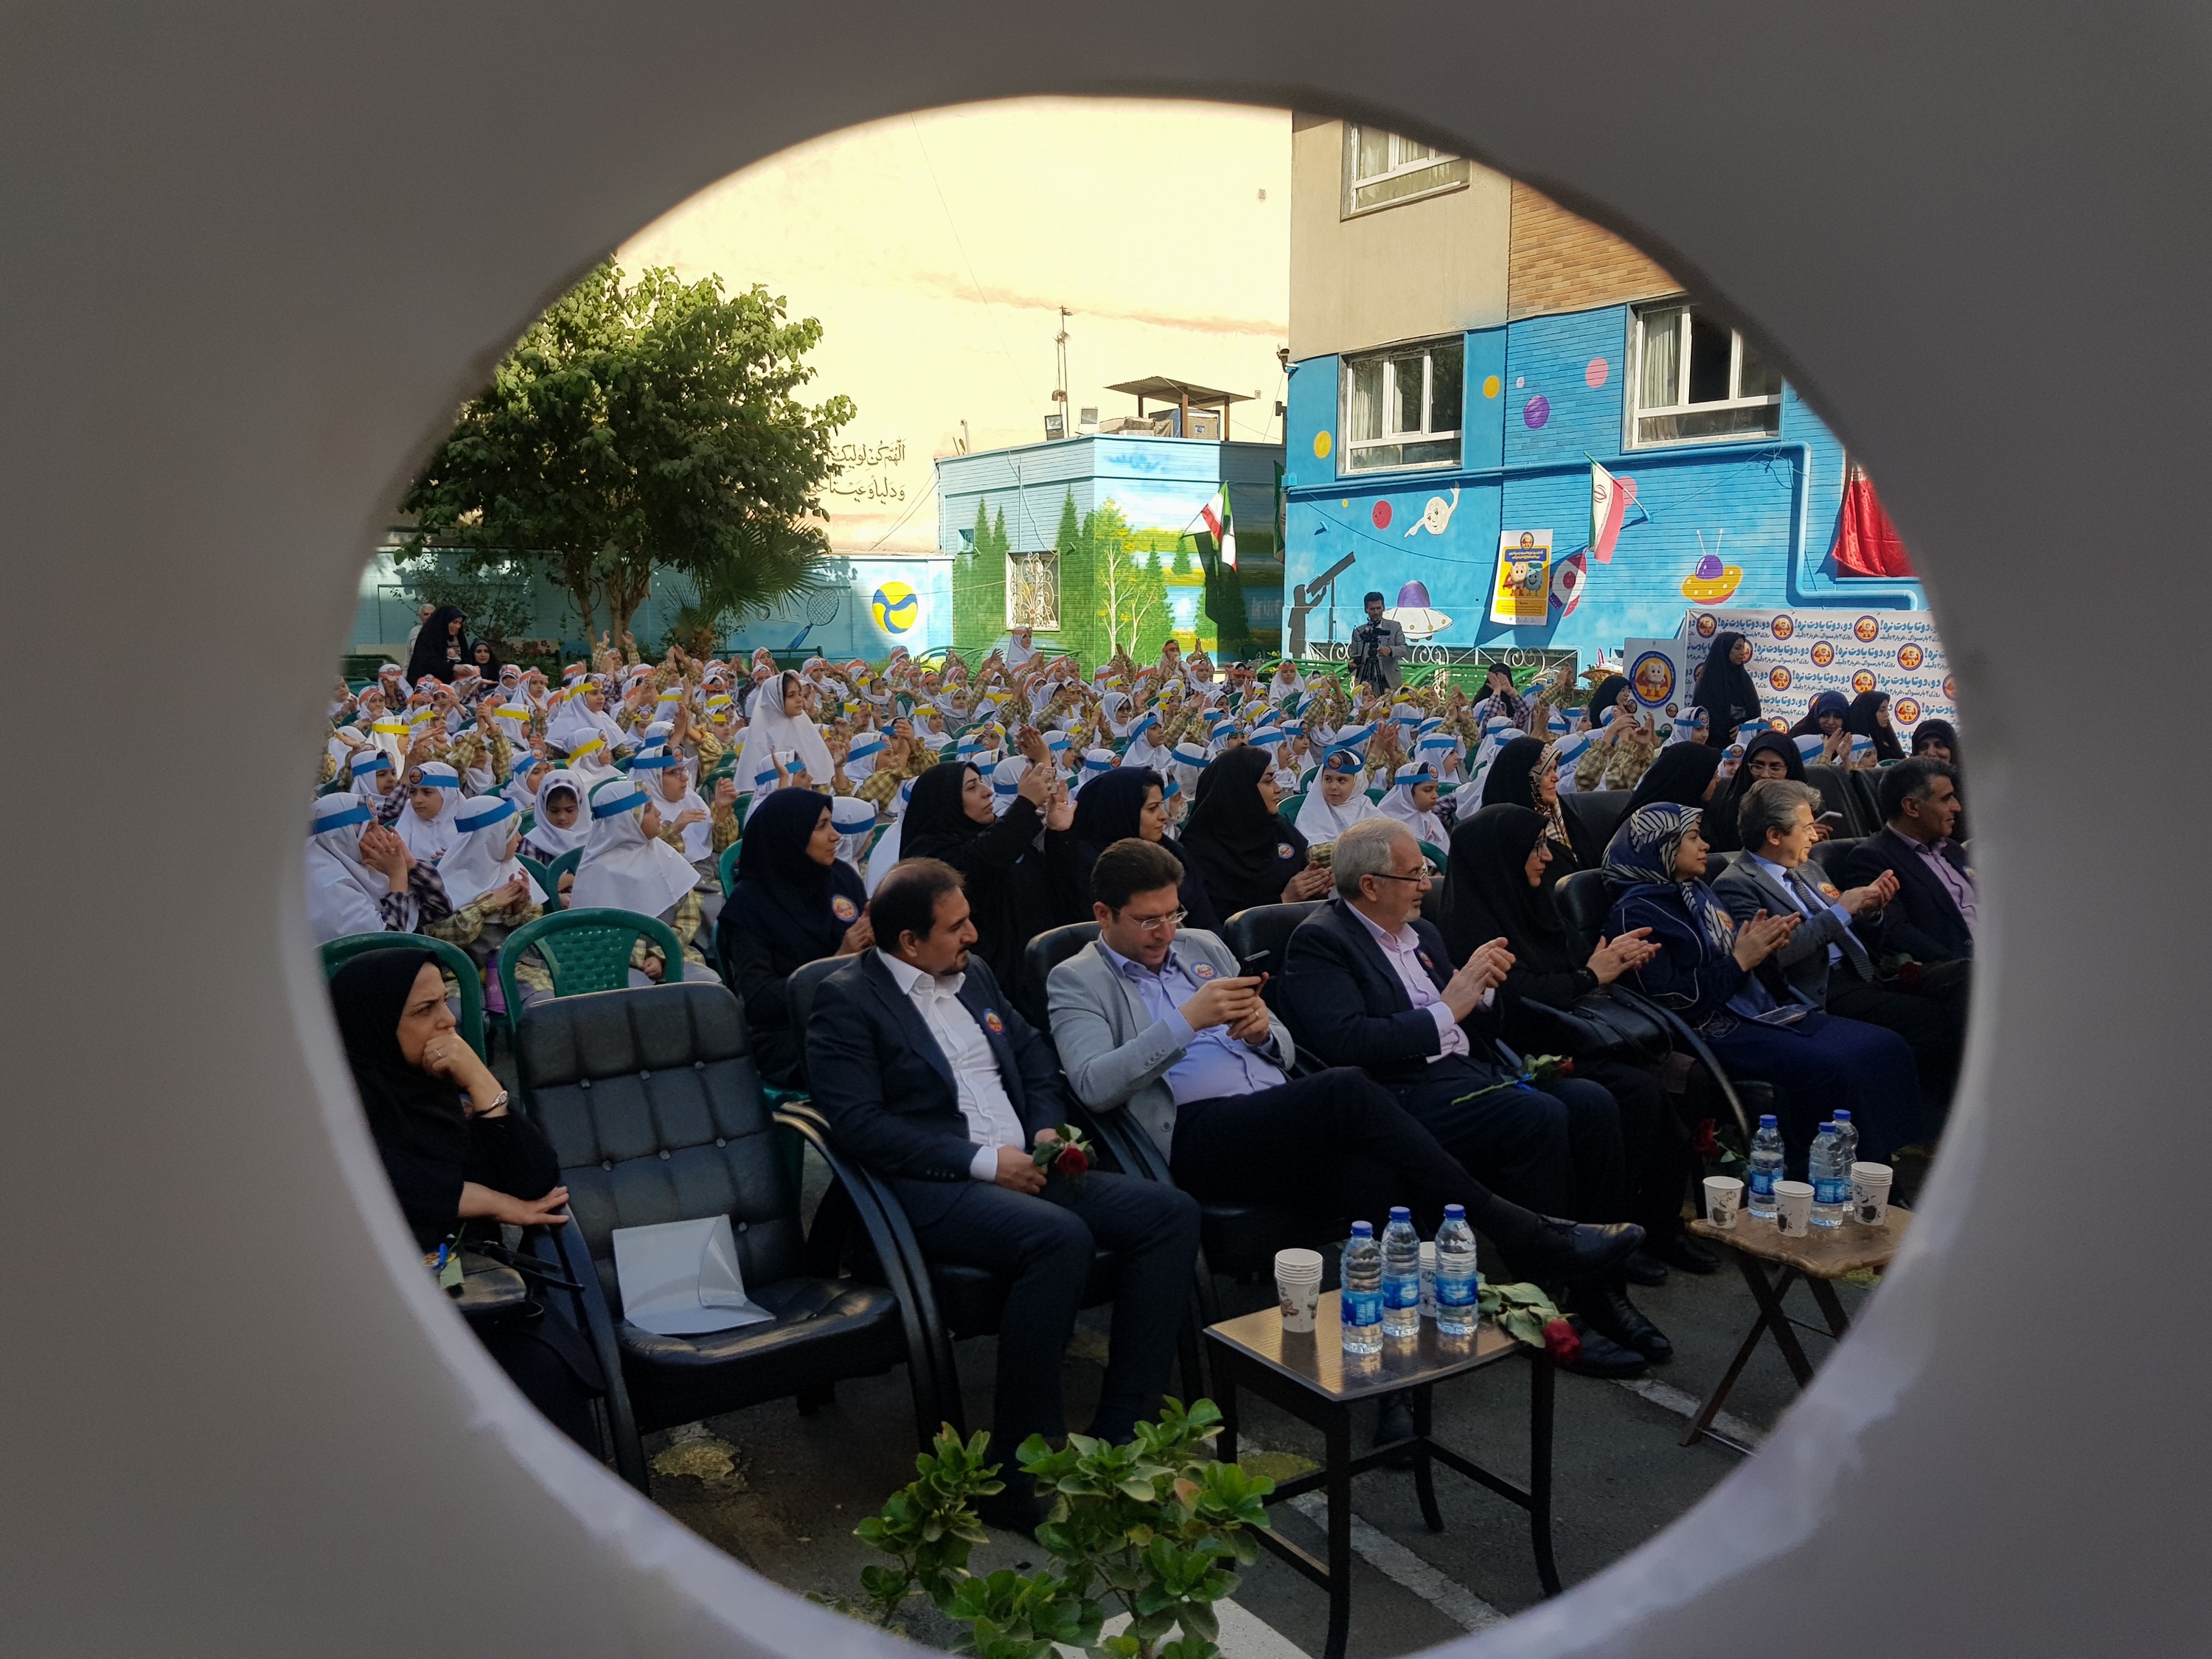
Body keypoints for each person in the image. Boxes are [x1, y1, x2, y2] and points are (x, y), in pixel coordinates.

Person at [804, 859, 1200, 1518]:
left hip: (1029, 1164)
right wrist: (985, 1162)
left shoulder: (974, 975)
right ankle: (1019, 1465)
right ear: (910, 943)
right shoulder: (846, 1001)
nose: (973, 935)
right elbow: (859, 1125)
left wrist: (1043, 1128)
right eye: (957, 926)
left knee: (1170, 1214)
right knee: (1058, 1238)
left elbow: (1035, 1056)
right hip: (931, 1187)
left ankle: (1124, 1424)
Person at [1279, 818, 1666, 1367]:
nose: (1426, 883)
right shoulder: (1322, 941)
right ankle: (1546, 1313)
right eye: (1414, 874)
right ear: (1370, 886)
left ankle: (1601, 1289)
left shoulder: (1423, 933)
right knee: (1535, 1116)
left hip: (1468, 1072)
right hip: (1403, 1091)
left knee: (1593, 1104)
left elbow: (1475, 1025)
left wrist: (1481, 994)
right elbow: (1347, 1041)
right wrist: (1449, 1007)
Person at [327, 947, 602, 1451]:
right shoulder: (334, 1105)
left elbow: (535, 1182)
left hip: (467, 1284)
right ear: (375, 1025)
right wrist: (483, 1202)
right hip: (374, 1304)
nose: (448, 1019)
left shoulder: (440, 1093)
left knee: (545, 1374)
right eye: (424, 1010)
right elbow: (371, 1181)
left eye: (444, 1001)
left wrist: (483, 1084)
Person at [1436, 804, 1715, 1275]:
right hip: (1526, 1049)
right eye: (1535, 848)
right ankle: (1612, 1233)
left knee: (1685, 1080)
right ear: (1503, 857)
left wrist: (1612, 960)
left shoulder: (1535, 900)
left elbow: (1576, 964)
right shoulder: (1470, 923)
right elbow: (1518, 999)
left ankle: (1657, 1225)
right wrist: (1589, 975)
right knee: (1635, 1093)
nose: (1546, 857)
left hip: (1581, 1033)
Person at [1601, 801, 1924, 1169]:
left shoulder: (1697, 892)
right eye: (1692, 838)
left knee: (1887, 1046)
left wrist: (1766, 948)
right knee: (1835, 1069)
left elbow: (1746, 964)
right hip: (1711, 1029)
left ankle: (1877, 1169)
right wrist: (1741, 960)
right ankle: (1827, 1175)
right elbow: (1671, 1000)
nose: (1706, 845)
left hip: (1759, 1008)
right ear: (1662, 846)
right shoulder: (1635, 914)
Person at [1716, 780, 1966, 1114]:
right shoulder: (1737, 885)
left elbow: (1852, 930)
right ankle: (1936, 1118)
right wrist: (1841, 911)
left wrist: (1870, 912)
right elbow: (1772, 956)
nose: (1814, 836)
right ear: (1775, 835)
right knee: (1933, 1021)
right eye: (1806, 828)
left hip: (1869, 971)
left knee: (1966, 980)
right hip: (1822, 989)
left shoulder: (1809, 866)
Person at [714, 787, 872, 1088]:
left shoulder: (840, 877)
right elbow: (759, 1003)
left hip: (852, 1013)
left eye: (832, 823)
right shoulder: (750, 907)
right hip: (790, 1035)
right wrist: (838, 962)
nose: (836, 836)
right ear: (790, 837)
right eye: (821, 826)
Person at [896, 757, 1084, 991]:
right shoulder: (928, 856)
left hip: (1040, 977)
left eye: (981, 782)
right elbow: (977, 864)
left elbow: (1055, 890)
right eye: (972, 787)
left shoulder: (997, 837)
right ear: (946, 803)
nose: (988, 792)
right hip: (987, 986)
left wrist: (1058, 833)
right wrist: (1025, 805)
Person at [567, 776, 717, 982]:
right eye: (647, 809)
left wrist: (659, 954)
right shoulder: (595, 872)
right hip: (617, 963)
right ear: (625, 821)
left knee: (707, 984)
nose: (658, 812)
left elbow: (688, 917)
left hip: (674, 953)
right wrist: (642, 958)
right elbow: (596, 937)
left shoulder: (664, 854)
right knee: (637, 991)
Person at [1837, 757, 1975, 965]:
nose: (1957, 807)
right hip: (1958, 970)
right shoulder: (1872, 858)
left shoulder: (1953, 849)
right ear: (1912, 807)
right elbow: (1897, 934)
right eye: (1946, 799)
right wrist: (1969, 968)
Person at [1181, 745, 1332, 921]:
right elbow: (1212, 920)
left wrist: (1315, 888)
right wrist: (1282, 900)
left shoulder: (1277, 829)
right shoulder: (1201, 851)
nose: (1277, 788)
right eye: (1268, 781)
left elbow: (1302, 880)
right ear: (1242, 789)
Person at [1070, 765, 1220, 934]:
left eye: (1161, 805)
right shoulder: (1092, 870)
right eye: (1152, 808)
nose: (1163, 816)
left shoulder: (1172, 852)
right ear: (1123, 812)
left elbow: (1208, 922)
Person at [305, 793, 453, 943]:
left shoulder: (366, 869)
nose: (382, 834)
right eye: (370, 828)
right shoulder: (328, 884)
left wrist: (409, 864)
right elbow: (386, 943)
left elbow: (440, 910)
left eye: (378, 825)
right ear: (339, 839)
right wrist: (398, 877)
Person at [1479, 736, 1599, 870]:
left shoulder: (1561, 814)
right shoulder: (1501, 832)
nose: (1556, 777)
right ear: (1526, 778)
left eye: (1555, 769)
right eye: (1547, 772)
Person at [1703, 729, 1804, 854]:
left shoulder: (1806, 808)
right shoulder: (1728, 809)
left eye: (1775, 768)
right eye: (1758, 766)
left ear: (1790, 770)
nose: (1765, 775)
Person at [1294, 748, 1381, 843]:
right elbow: (1312, 848)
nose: (1333, 787)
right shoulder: (1312, 812)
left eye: (1341, 780)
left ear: (1356, 783)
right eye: (1328, 779)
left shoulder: (1365, 807)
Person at [1689, 631, 1761, 746]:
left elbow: (1755, 714)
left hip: (1743, 746)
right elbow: (1703, 717)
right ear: (1725, 650)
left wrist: (1745, 728)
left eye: (1743, 648)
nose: (1742, 652)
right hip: (1712, 746)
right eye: (1737, 648)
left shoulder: (1744, 680)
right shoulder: (1708, 681)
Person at [1620, 742, 1722, 816]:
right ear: (1694, 780)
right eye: (1713, 776)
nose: (1719, 780)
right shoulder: (1657, 822)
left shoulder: (1702, 811)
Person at [1349, 591, 1406, 693]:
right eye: (1372, 609)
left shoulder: (1395, 627)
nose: (1376, 612)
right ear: (1366, 610)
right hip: (1366, 684)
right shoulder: (1359, 632)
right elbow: (1354, 658)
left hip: (1389, 683)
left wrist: (1390, 650)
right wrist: (1352, 664)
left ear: (1383, 608)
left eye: (1378, 608)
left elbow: (1404, 649)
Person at [403, 605, 470, 685]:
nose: (457, 626)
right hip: (427, 684)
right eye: (454, 622)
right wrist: (453, 667)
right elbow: (427, 661)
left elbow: (466, 657)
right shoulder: (428, 636)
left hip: (454, 685)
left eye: (460, 623)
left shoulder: (458, 637)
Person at [1846, 689, 1907, 762]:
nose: (1887, 714)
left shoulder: (1886, 737)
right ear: (1869, 713)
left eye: (1887, 709)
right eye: (1882, 710)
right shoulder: (1853, 743)